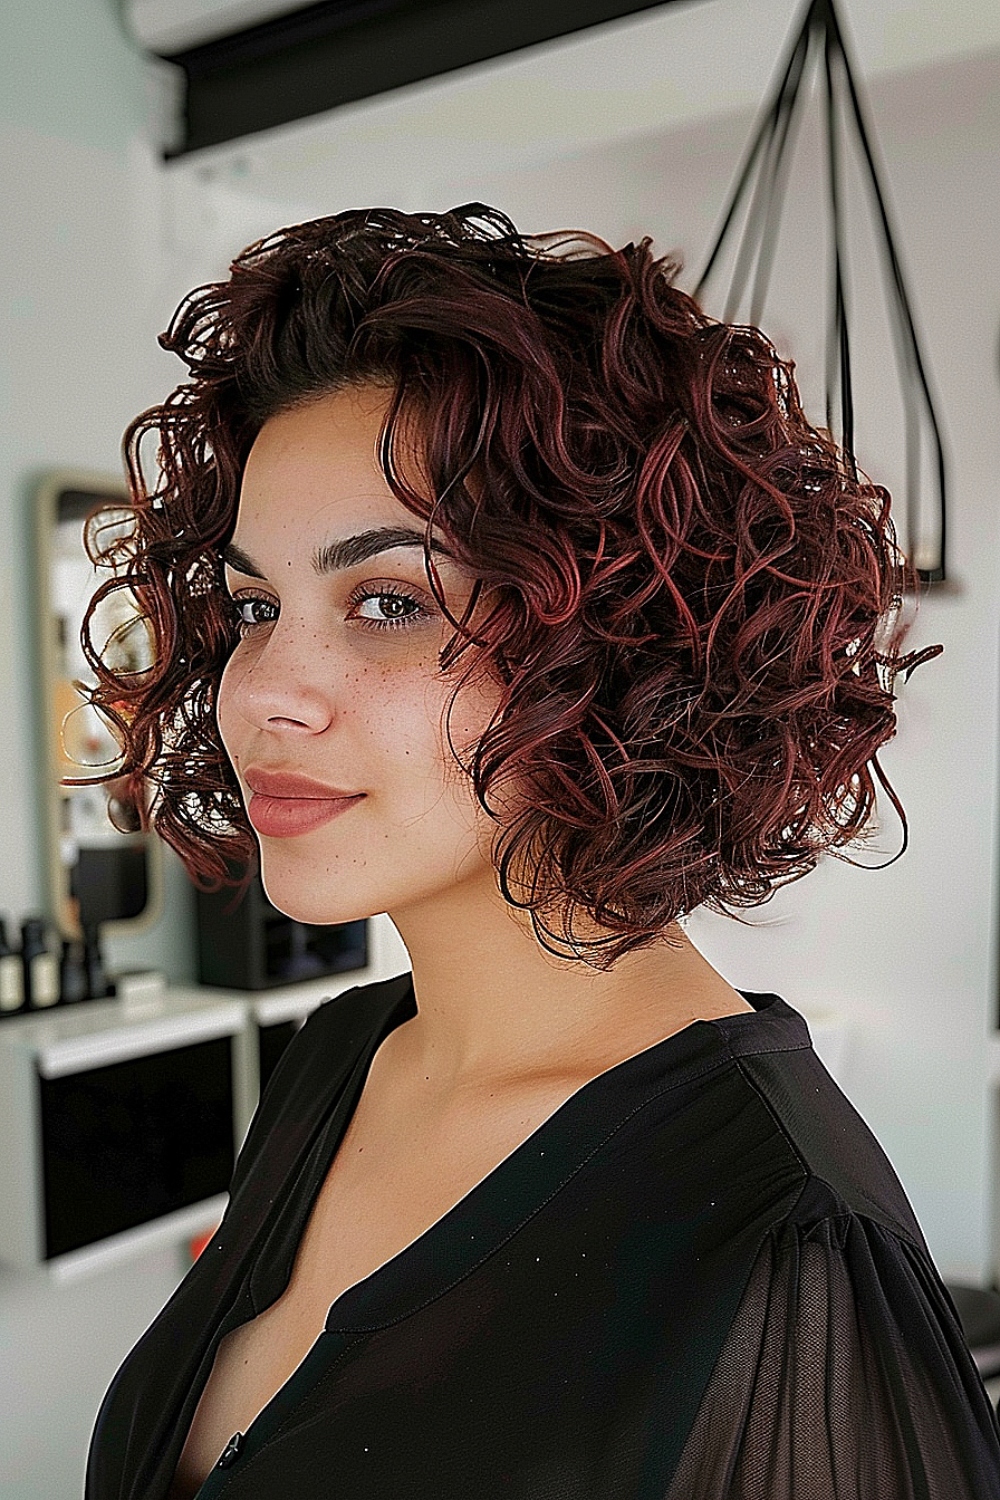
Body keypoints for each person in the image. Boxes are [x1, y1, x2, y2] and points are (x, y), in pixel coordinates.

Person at [83, 204, 1000, 1499]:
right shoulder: (342, 1065)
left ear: (616, 645)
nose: (265, 692)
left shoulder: (783, 1255)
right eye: (254, 607)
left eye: (390, 602)